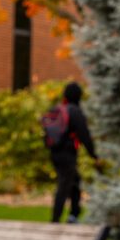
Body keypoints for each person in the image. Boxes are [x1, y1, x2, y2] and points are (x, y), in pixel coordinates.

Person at [45, 82, 98, 224]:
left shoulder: (56, 109)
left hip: (54, 153)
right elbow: (84, 135)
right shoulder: (75, 111)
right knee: (65, 185)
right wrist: (94, 155)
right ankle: (56, 219)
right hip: (67, 154)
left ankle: (72, 215)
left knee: (74, 182)